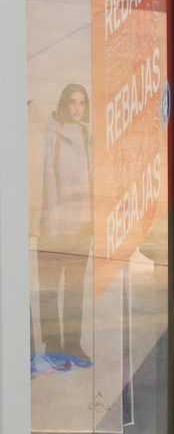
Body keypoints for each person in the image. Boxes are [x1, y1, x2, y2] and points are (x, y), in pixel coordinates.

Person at [33, 85, 93, 367]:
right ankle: (52, 346)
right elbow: (47, 182)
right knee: (49, 289)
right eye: (71, 102)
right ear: (62, 104)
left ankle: (72, 344)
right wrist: (51, 224)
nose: (77, 107)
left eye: (82, 102)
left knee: (74, 289)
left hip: (83, 225)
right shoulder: (50, 136)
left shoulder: (86, 133)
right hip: (54, 227)